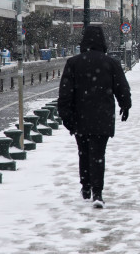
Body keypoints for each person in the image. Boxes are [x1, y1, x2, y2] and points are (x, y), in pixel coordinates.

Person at [57, 26, 131, 209]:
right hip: (102, 116)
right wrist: (125, 105)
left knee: (83, 152)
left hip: (79, 117)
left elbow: (65, 94)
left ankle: (85, 186)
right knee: (98, 154)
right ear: (103, 42)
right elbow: (122, 88)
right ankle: (97, 192)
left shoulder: (73, 63)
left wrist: (66, 116)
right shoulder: (110, 63)